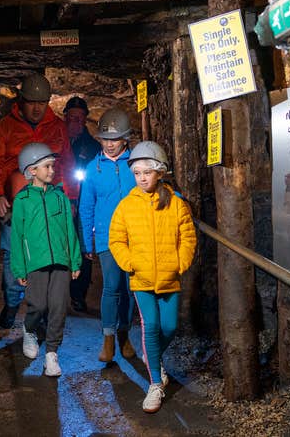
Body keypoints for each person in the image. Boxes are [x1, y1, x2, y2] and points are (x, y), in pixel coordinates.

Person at [108, 141, 196, 413]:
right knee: (152, 325)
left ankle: (152, 355)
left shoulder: (175, 203)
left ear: (160, 172)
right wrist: (129, 263)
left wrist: (179, 264)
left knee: (168, 327)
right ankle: (155, 384)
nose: (142, 177)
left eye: (147, 172)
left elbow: (188, 237)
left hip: (170, 278)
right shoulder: (126, 206)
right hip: (142, 279)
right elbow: (116, 240)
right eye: (137, 173)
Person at [0, 73, 75, 329]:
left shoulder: (56, 127)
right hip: (16, 204)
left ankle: (44, 310)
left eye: (42, 102)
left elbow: (67, 164)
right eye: (31, 102)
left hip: (48, 205)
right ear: (22, 101)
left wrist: (69, 197)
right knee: (14, 256)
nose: (37, 108)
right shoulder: (6, 127)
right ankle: (13, 303)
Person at [11, 143, 81, 377]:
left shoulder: (60, 197)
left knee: (59, 307)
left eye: (53, 165)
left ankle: (52, 353)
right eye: (47, 166)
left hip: (61, 261)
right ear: (32, 170)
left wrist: (75, 259)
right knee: (38, 305)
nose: (52, 170)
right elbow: (18, 237)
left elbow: (70, 230)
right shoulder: (23, 200)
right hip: (35, 263)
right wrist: (19, 267)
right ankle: (29, 329)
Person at [78, 108, 137, 362]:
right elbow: (86, 206)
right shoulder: (93, 169)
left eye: (115, 139)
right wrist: (86, 240)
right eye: (105, 139)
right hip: (106, 238)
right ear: (99, 139)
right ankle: (108, 340)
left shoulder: (137, 164)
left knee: (130, 289)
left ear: (125, 139)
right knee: (111, 288)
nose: (110, 144)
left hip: (135, 236)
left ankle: (125, 336)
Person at [64, 96, 101, 313]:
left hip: (82, 200)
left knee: (82, 247)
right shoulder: (56, 139)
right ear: (65, 116)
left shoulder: (92, 147)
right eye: (72, 117)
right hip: (59, 199)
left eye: (80, 118)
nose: (76, 121)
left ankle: (78, 294)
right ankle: (58, 294)